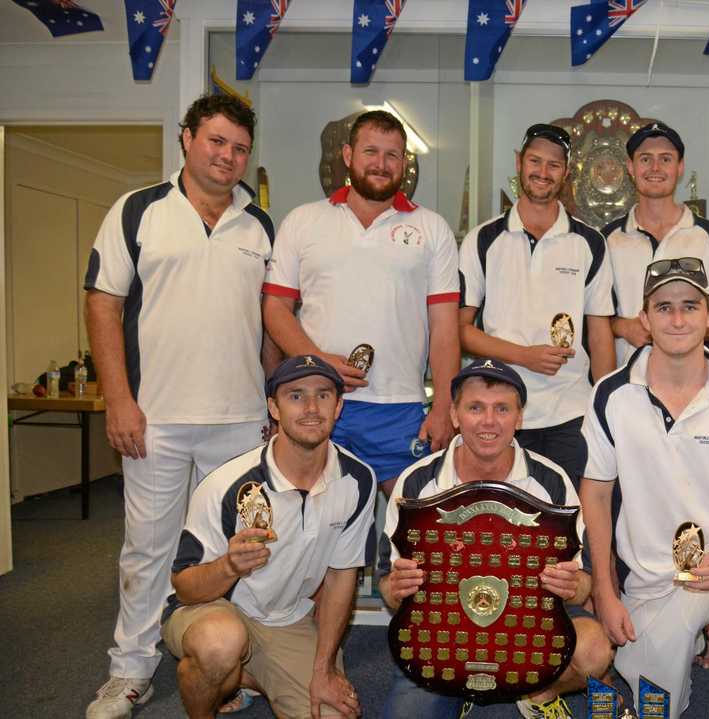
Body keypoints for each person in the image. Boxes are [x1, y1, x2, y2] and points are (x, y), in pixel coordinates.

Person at [84, 94, 277, 719]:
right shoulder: (137, 210)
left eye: (240, 147)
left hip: (240, 422)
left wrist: (273, 403)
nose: (227, 156)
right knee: (149, 548)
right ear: (187, 138)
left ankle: (233, 665)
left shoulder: (260, 226)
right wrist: (118, 400)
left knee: (241, 548)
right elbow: (103, 303)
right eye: (216, 141)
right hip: (155, 419)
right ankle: (130, 672)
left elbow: (270, 326)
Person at [579, 258, 709, 719]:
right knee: (657, 708)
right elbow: (596, 495)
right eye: (663, 307)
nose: (678, 318)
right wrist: (605, 593)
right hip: (650, 578)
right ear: (644, 320)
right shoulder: (611, 394)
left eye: (691, 306)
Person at [379, 358, 614, 719]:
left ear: (519, 418)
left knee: (594, 651)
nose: (489, 421)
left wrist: (571, 585)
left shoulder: (551, 481)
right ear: (455, 414)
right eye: (475, 408)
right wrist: (396, 589)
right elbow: (388, 589)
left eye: (502, 409)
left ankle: (539, 692)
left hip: (531, 622)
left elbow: (584, 584)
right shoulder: (416, 482)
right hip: (440, 631)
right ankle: (469, 691)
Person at [161, 355, 376, 719]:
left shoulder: (357, 480)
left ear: (338, 406)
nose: (310, 407)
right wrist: (229, 566)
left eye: (323, 395)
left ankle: (245, 677)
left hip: (286, 617)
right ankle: (214, 691)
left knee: (334, 714)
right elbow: (184, 589)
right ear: (273, 408)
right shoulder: (225, 484)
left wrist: (324, 670)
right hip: (215, 611)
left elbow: (341, 578)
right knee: (219, 645)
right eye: (295, 396)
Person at [263, 109, 461, 493]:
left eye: (393, 155)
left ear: (404, 163)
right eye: (371, 151)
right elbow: (274, 310)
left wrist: (443, 407)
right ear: (349, 155)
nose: (381, 164)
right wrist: (316, 360)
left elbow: (444, 327)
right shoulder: (303, 222)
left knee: (411, 533)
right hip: (318, 402)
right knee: (316, 527)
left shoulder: (432, 229)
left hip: (400, 406)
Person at [459, 123, 616, 484]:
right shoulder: (483, 239)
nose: (542, 173)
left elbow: (600, 332)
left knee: (569, 526)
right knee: (505, 526)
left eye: (553, 165)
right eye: (535, 161)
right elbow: (460, 331)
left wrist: (605, 407)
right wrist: (523, 356)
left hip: (570, 412)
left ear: (567, 173)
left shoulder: (589, 242)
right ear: (519, 162)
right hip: (497, 412)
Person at [604, 122, 709, 362]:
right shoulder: (608, 239)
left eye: (665, 159)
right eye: (645, 159)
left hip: (694, 381)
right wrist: (623, 328)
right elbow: (596, 315)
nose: (655, 167)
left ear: (680, 167)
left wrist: (682, 334)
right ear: (630, 167)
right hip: (627, 383)